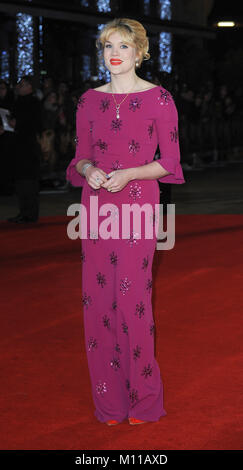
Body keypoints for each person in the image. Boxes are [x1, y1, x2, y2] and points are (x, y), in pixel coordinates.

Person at [66, 18, 185, 426]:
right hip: (97, 209)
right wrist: (87, 169)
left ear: (140, 52)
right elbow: (77, 158)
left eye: (123, 45)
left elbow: (170, 163)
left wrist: (131, 173)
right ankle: (110, 403)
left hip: (137, 209)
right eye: (106, 46)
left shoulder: (160, 99)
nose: (113, 52)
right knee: (98, 305)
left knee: (133, 304)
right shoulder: (87, 101)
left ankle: (145, 400)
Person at [7, 75, 42, 223]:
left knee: (29, 181)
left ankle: (31, 213)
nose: (19, 87)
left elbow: (35, 124)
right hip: (18, 145)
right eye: (19, 84)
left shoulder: (34, 103)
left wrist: (17, 124)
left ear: (30, 87)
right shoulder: (18, 102)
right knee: (20, 181)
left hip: (28, 146)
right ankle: (23, 211)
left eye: (22, 85)